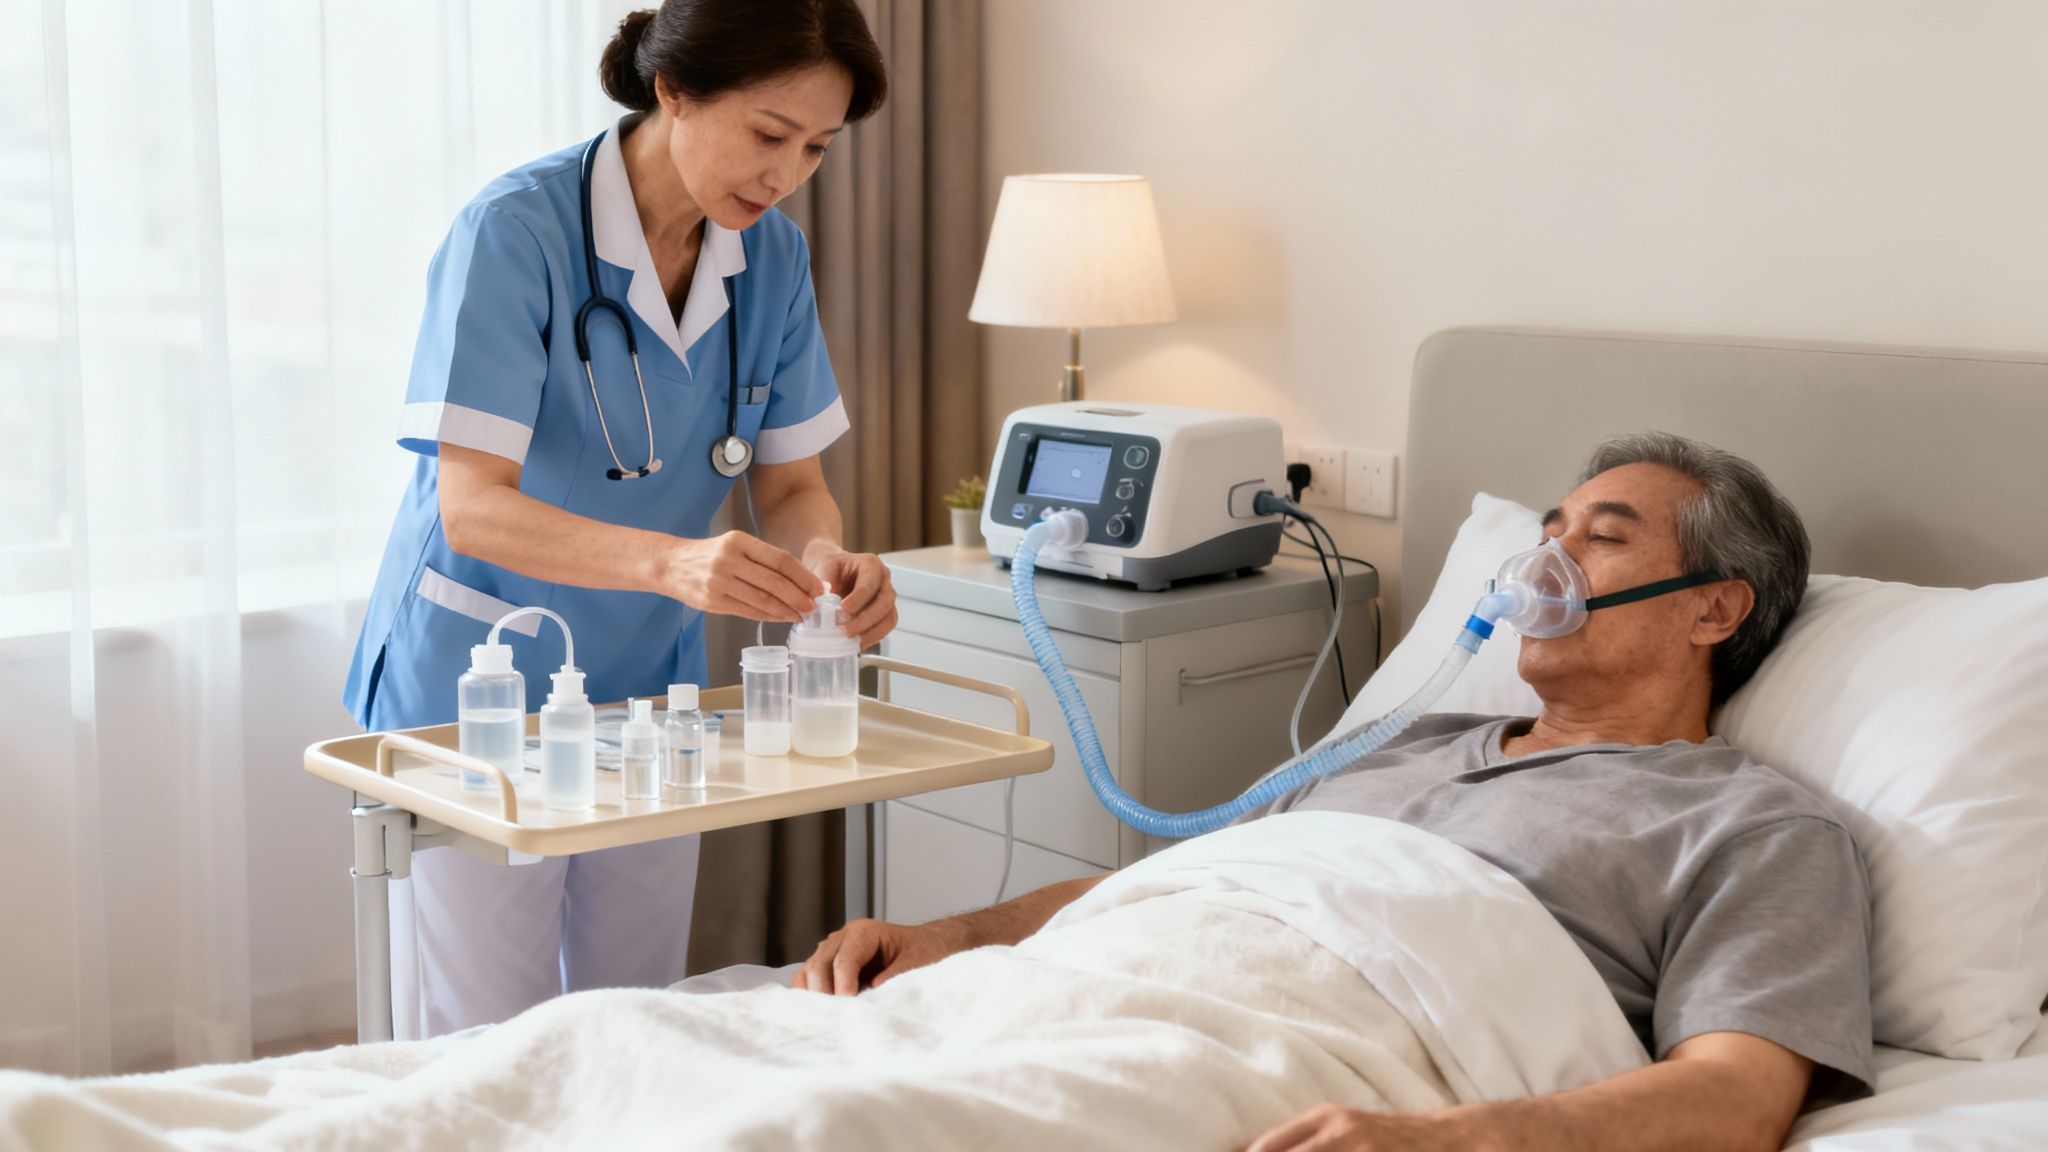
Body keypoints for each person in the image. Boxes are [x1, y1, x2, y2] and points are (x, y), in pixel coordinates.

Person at [797, 432, 1872, 1152]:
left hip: (1297, 1061)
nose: (1542, 563)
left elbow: (1738, 1095)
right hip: (1088, 994)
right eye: (1546, 532)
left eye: (1599, 540)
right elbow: (1188, 888)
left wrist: (1444, 1140)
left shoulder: (1752, 826)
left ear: (1712, 611)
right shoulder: (1400, 741)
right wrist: (951, 936)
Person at [344, 0, 898, 1039]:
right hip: (481, 686)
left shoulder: (769, 259)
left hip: (651, 700)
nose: (785, 175)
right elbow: (471, 511)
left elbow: (788, 487)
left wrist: (824, 564)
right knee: (487, 1037)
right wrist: (676, 565)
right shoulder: (515, 233)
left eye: (816, 148)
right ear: (673, 89)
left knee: (633, 1020)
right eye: (769, 134)